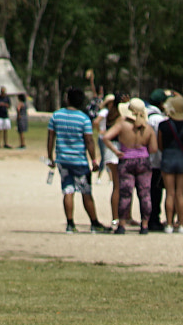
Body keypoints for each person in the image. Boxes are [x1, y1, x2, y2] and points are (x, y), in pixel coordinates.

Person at [48, 87, 103, 233]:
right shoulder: (83, 119)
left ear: (68, 99)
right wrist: (94, 160)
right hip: (79, 160)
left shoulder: (56, 116)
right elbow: (89, 141)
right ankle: (94, 222)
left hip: (63, 159)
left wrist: (50, 156)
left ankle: (70, 223)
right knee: (86, 191)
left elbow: (50, 137)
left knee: (68, 190)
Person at [104, 98, 159, 234]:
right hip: (143, 162)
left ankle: (122, 224)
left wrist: (116, 151)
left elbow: (105, 137)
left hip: (126, 159)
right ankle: (144, 225)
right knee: (145, 194)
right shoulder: (148, 128)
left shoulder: (122, 125)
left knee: (125, 193)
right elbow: (153, 149)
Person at [159, 96, 183, 235]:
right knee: (181, 194)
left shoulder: (164, 125)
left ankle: (168, 224)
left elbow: (160, 145)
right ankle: (181, 224)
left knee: (170, 193)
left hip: (168, 157)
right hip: (182, 158)